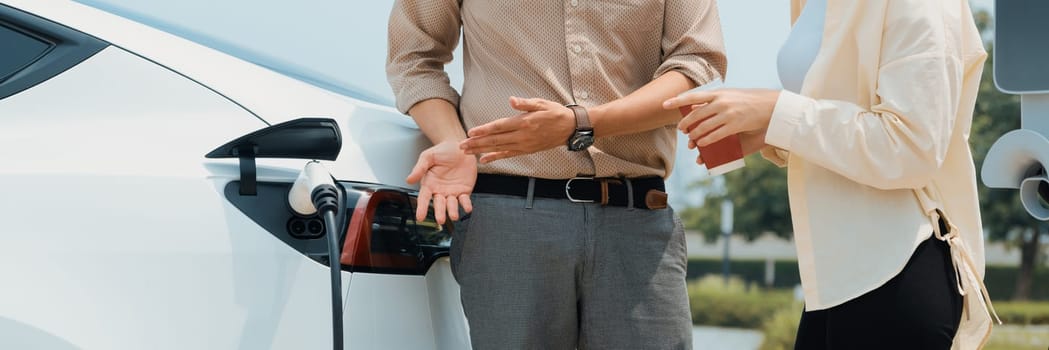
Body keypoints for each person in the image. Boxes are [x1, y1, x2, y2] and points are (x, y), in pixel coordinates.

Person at [387, 1, 726, 348]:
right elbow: (414, 58)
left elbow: (696, 66)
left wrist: (583, 123)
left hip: (638, 221)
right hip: (509, 222)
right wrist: (452, 140)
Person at [663, 0, 998, 348]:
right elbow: (839, 109)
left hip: (898, 267)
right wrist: (767, 129)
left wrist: (777, 112)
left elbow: (912, 148)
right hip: (833, 280)